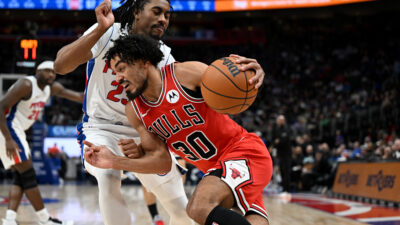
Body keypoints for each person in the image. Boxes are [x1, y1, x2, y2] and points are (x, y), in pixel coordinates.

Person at [54, 0, 266, 224]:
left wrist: (247, 78)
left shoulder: (166, 58)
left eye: (167, 14)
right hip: (101, 126)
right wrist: (99, 29)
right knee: (107, 175)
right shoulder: (108, 32)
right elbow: (60, 66)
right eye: (157, 12)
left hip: (144, 130)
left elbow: (200, 91)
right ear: (136, 12)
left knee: (182, 209)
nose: (163, 19)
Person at [0, 60, 83, 225]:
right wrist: (8, 138)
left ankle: (9, 219)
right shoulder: (26, 84)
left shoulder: (52, 88)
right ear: (37, 71)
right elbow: (1, 107)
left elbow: (79, 97)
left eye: (53, 72)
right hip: (7, 129)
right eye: (47, 71)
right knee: (29, 175)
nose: (51, 75)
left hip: (17, 130)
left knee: (20, 176)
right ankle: (45, 220)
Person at [272, 115, 292, 193]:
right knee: (281, 170)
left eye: (281, 120)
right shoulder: (276, 129)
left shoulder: (286, 129)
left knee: (286, 170)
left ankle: (287, 188)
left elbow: (284, 140)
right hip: (280, 153)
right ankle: (283, 188)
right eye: (279, 120)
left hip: (286, 153)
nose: (280, 121)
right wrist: (277, 141)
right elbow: (274, 140)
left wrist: (278, 141)